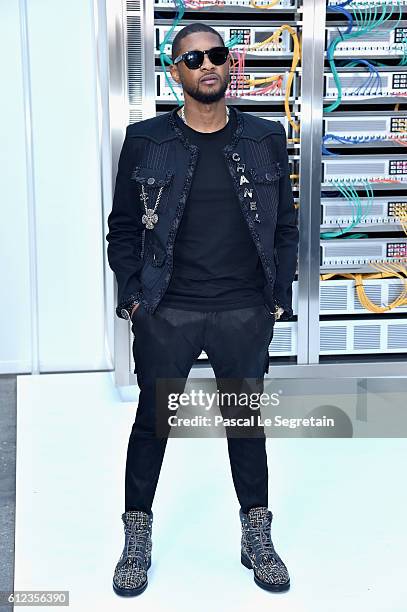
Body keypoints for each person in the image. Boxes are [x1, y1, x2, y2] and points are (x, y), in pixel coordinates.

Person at [106, 23, 299, 597]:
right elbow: (121, 230)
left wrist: (275, 300)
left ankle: (256, 535)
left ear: (228, 66)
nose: (207, 65)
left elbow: (285, 227)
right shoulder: (145, 141)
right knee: (153, 424)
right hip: (168, 307)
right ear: (177, 73)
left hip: (243, 308)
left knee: (245, 422)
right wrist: (137, 300)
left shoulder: (264, 138)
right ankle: (136, 536)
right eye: (194, 58)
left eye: (217, 55)